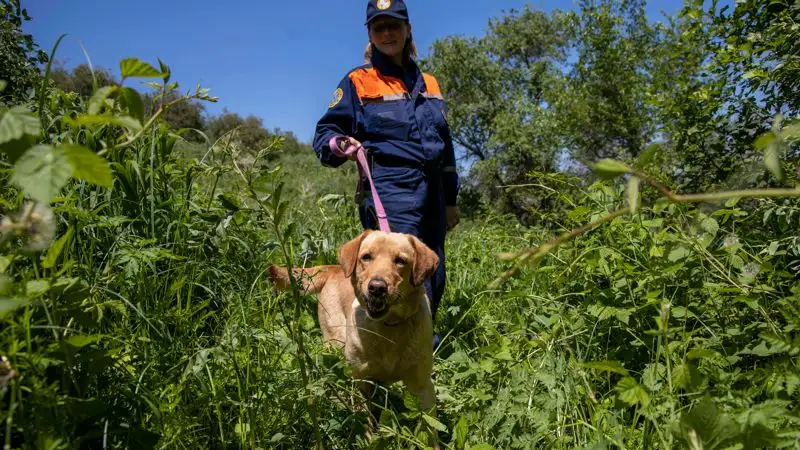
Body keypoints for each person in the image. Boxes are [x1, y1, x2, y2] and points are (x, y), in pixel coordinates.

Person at [312, 0, 460, 348]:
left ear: (408, 29)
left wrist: (450, 200)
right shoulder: (357, 82)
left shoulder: (429, 84)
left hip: (433, 193)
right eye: (379, 27)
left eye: (394, 25)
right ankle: (381, 351)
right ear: (370, 34)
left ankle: (419, 345)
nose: (388, 33)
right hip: (389, 189)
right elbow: (325, 134)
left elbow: (447, 147)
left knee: (429, 271)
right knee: (386, 274)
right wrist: (338, 144)